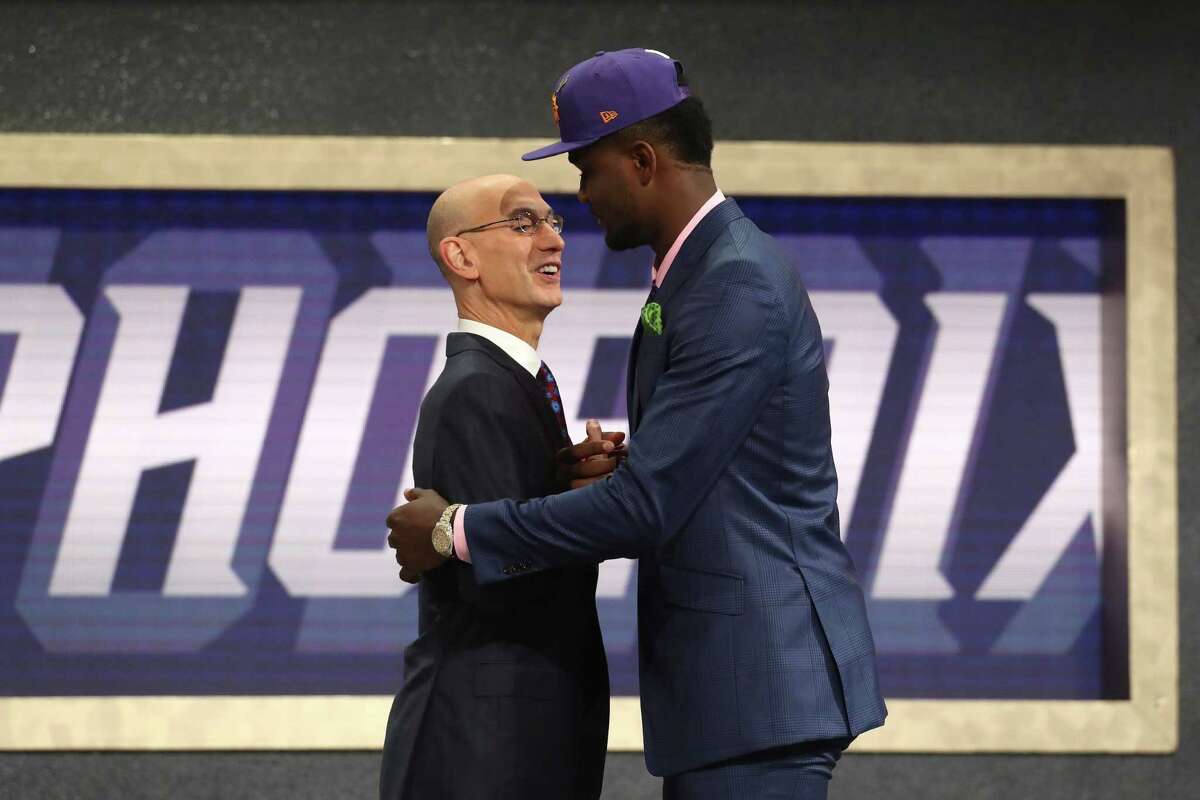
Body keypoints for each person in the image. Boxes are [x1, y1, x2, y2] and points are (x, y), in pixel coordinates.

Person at [387, 49, 887, 799]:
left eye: (588, 170)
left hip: (758, 685)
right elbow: (705, 476)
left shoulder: (732, 286)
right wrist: (618, 473)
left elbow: (652, 507)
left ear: (644, 159)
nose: (581, 199)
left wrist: (452, 529)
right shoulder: (692, 279)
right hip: (733, 690)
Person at [379, 174, 618, 800]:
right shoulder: (478, 391)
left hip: (516, 733)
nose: (553, 240)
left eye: (553, 222)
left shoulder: (515, 385)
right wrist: (602, 507)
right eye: (522, 223)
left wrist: (570, 488)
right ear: (461, 257)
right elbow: (511, 585)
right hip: (483, 747)